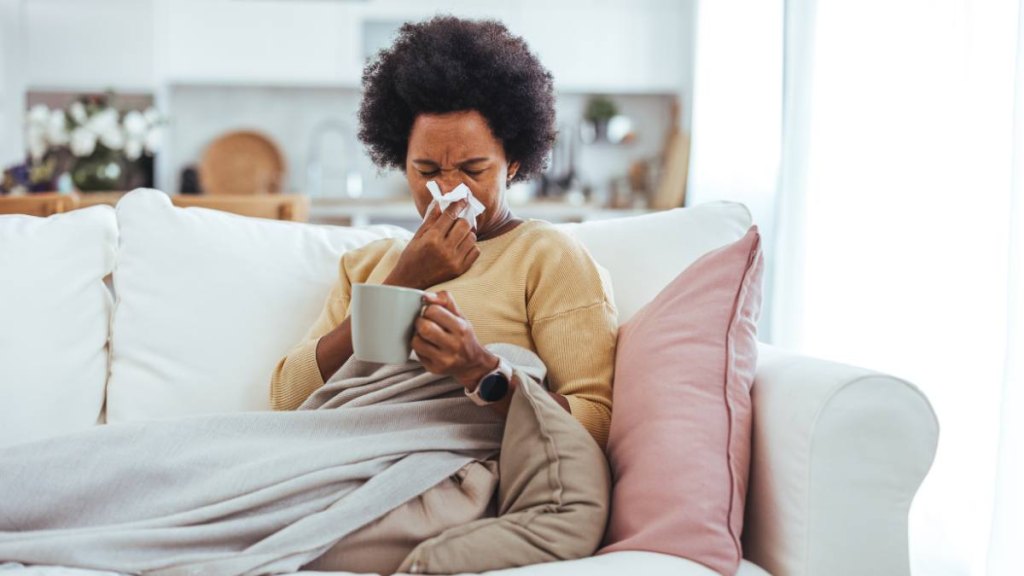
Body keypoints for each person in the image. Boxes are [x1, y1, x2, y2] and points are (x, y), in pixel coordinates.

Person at [270, 16, 619, 573]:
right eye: (426, 168)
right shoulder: (368, 266)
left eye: (474, 169)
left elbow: (594, 424)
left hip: (443, 477)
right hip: (331, 461)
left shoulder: (548, 257)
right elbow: (289, 400)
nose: (448, 189)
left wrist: (481, 370)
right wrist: (402, 281)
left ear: (514, 162)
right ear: (398, 162)